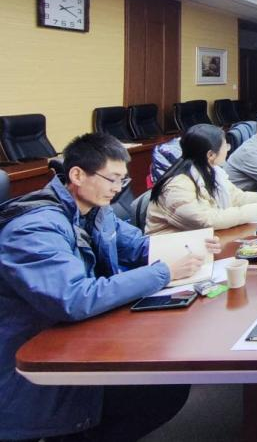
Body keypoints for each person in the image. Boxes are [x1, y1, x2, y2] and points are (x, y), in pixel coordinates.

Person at [0, 133, 220, 442]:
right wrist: (162, 272)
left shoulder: (96, 210)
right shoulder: (34, 229)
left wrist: (193, 244)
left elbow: (138, 246)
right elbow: (74, 298)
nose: (119, 189)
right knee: (160, 390)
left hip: (80, 335)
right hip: (34, 364)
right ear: (77, 175)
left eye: (122, 180)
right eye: (112, 179)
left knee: (168, 382)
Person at [146, 124, 257, 235]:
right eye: (225, 146)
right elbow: (207, 220)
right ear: (211, 155)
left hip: (200, 241)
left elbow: (236, 197)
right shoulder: (177, 186)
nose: (228, 149)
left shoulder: (213, 171)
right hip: (170, 251)